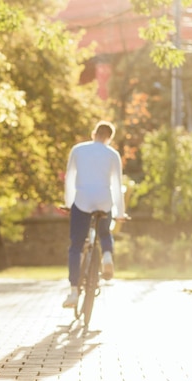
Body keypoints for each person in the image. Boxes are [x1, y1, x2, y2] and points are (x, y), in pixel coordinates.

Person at [62, 120, 127, 308]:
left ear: (94, 134)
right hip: (103, 200)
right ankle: (107, 255)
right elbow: (116, 185)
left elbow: (70, 179)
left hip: (82, 200)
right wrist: (120, 212)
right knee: (105, 233)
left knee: (76, 246)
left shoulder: (78, 150)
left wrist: (69, 204)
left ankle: (74, 291)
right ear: (109, 138)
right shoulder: (112, 154)